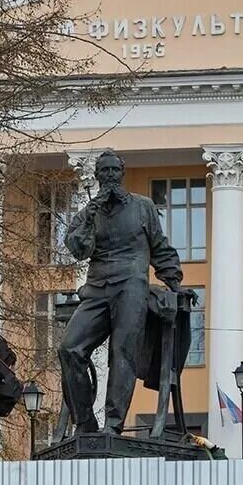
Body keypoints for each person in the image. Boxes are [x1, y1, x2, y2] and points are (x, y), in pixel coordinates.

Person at [58, 150, 183, 433]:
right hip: (97, 288)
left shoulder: (142, 207)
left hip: (131, 286)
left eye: (115, 171)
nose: (111, 176)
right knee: (69, 349)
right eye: (105, 171)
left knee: (122, 352)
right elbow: (78, 250)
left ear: (122, 174)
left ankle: (113, 424)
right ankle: (86, 422)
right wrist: (89, 217)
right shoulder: (88, 213)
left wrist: (174, 280)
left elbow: (160, 247)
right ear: (98, 176)